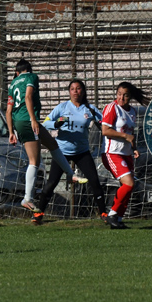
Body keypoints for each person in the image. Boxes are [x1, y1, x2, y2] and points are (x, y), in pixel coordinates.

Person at [5, 59, 88, 213]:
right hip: (27, 120)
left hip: (18, 122)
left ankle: (70, 174)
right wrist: (33, 119)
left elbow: (8, 111)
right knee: (34, 161)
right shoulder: (31, 77)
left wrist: (11, 131)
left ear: (16, 72)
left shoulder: (13, 84)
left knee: (52, 144)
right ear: (29, 69)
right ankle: (27, 198)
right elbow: (28, 97)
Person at [32, 80, 108, 225]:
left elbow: (104, 123)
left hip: (82, 152)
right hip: (62, 152)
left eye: (78, 88)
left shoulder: (90, 109)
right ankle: (38, 213)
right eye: (72, 89)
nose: (75, 91)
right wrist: (56, 124)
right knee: (52, 183)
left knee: (94, 181)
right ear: (69, 92)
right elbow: (46, 122)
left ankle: (104, 213)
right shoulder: (62, 107)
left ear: (83, 91)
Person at [102, 82, 149, 229]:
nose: (121, 98)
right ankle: (111, 214)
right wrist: (125, 136)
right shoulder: (112, 108)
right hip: (112, 153)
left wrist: (134, 148)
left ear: (130, 97)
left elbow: (130, 133)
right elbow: (105, 131)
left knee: (128, 187)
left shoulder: (132, 111)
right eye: (119, 94)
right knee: (129, 183)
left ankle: (118, 219)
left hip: (126, 153)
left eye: (125, 95)